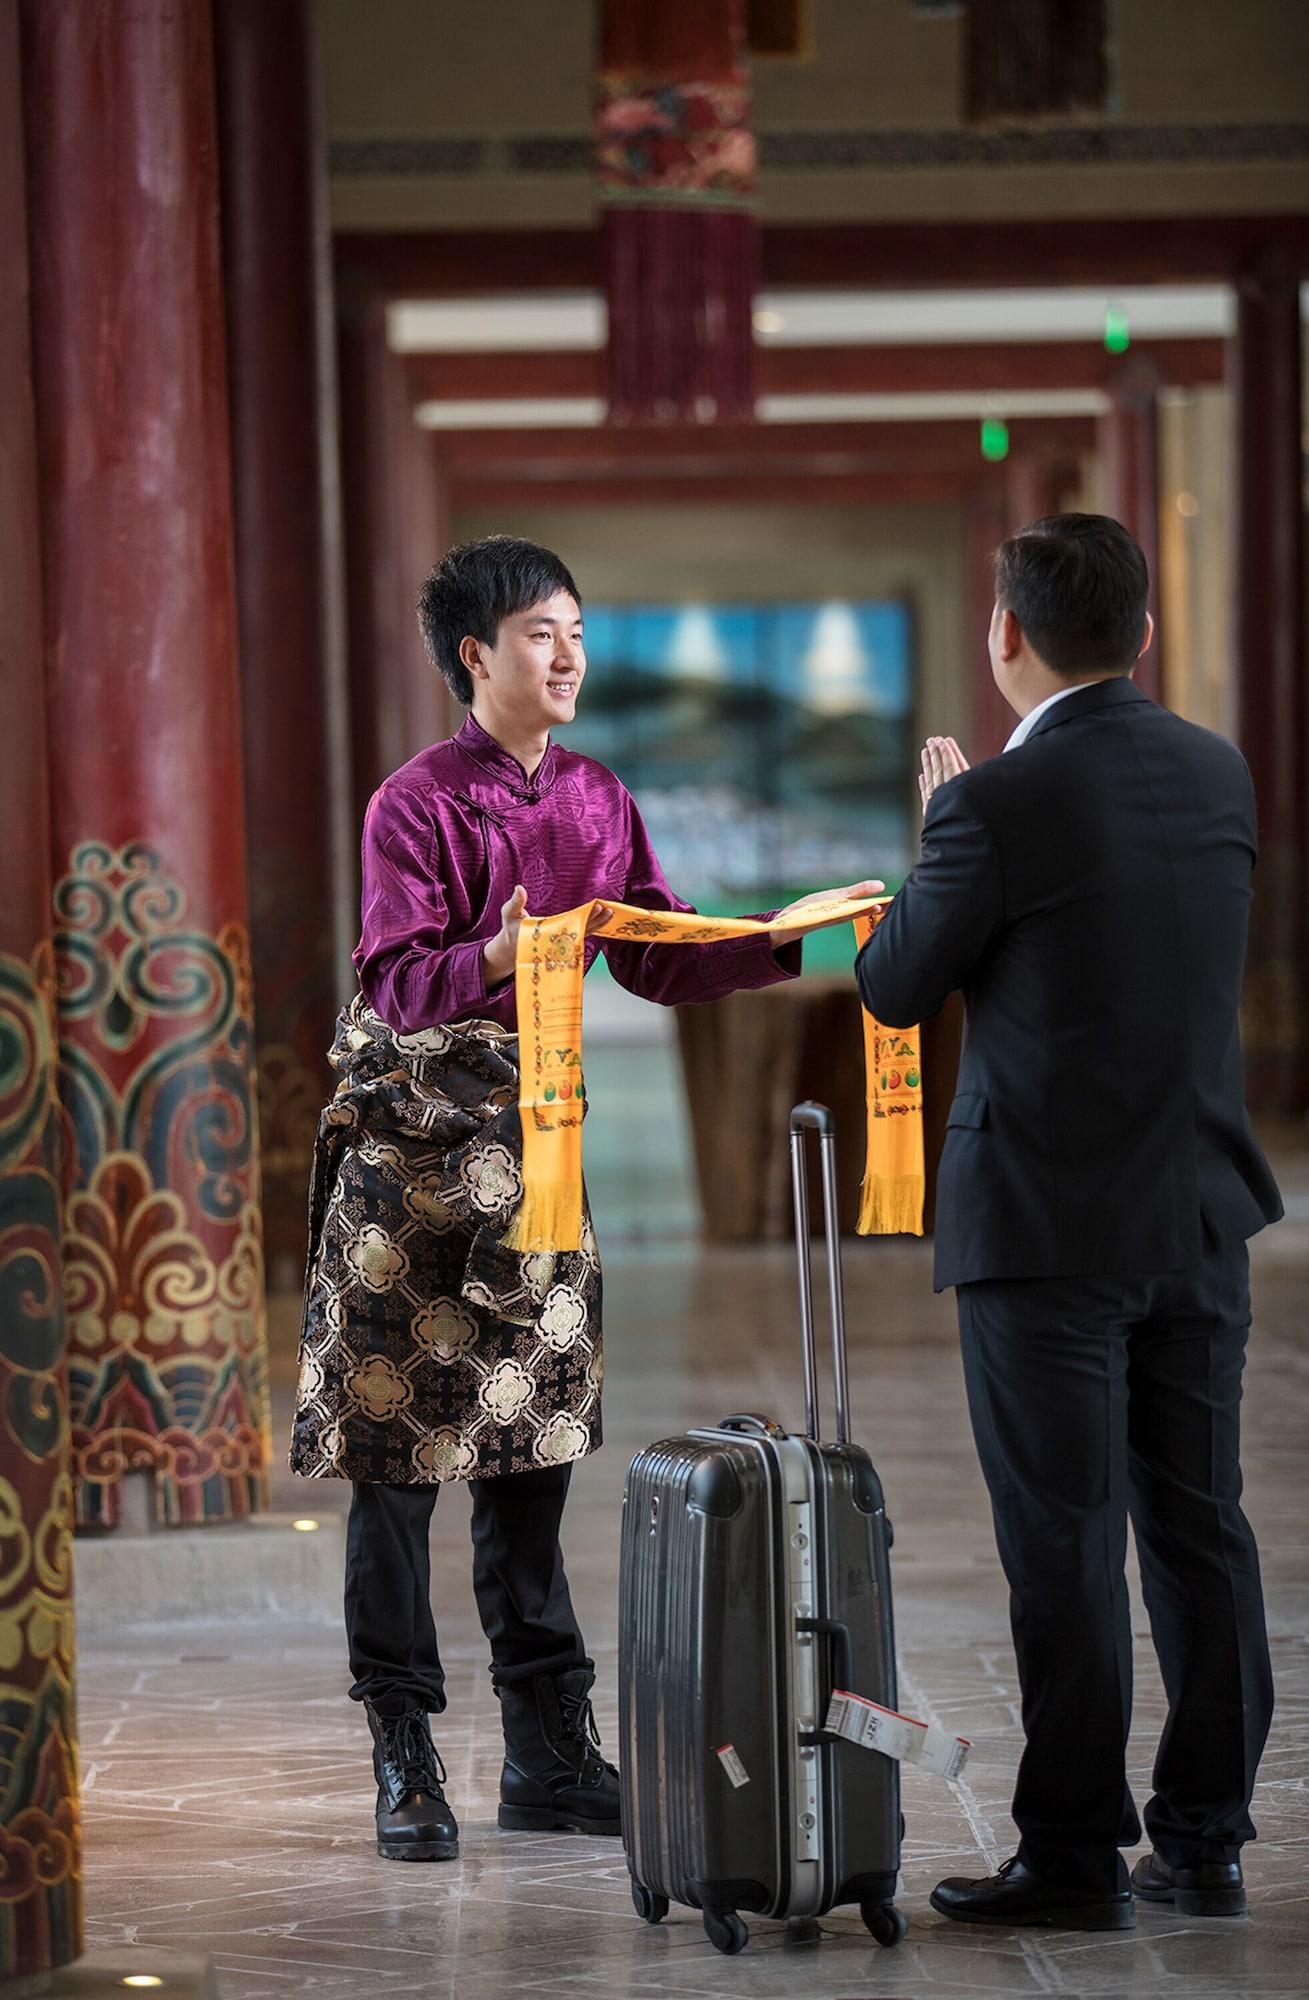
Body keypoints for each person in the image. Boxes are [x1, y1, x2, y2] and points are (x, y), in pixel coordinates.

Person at [292, 534, 880, 1862]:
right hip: (407, 1183)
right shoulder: (414, 803)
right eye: (540, 634)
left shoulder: (597, 800)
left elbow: (659, 959)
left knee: (532, 1465)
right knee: (396, 1483)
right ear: (473, 655)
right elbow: (395, 984)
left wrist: (784, 933)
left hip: (538, 1172)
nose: (567, 656)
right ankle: (404, 1757)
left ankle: (549, 1755)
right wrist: (493, 949)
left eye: (575, 631)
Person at [858, 513, 1280, 1931]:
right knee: (1197, 1528)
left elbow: (897, 986)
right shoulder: (1213, 768)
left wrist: (937, 839)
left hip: (1043, 1226)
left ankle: (1074, 1858)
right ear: (1142, 635)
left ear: (1003, 638)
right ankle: (1208, 1839)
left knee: (1063, 1539)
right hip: (1195, 1215)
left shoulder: (988, 803)